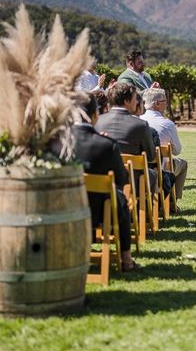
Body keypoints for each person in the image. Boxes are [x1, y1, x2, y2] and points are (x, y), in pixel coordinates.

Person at [74, 93, 138, 271]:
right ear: (95, 114)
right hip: (100, 209)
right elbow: (121, 179)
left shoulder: (56, 142)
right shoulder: (107, 145)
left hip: (65, 205)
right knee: (122, 200)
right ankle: (126, 259)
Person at [141, 88, 187, 202]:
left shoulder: (137, 120)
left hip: (139, 168)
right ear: (157, 103)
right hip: (161, 168)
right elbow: (177, 151)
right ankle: (172, 202)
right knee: (183, 165)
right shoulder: (167, 124)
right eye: (165, 101)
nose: (167, 104)